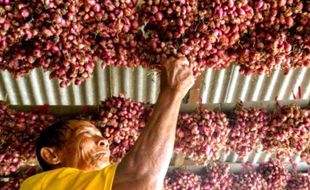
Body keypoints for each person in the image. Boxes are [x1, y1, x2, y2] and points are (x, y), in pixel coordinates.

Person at [20, 57, 195, 190]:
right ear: (52, 155)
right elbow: (140, 178)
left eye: (97, 136)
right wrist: (172, 92)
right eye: (87, 134)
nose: (104, 142)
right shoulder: (40, 186)